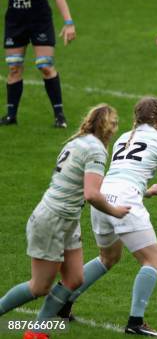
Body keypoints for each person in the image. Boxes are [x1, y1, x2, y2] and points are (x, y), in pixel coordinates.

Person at [52, 97, 157, 336]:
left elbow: (121, 176)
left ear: (136, 118)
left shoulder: (123, 138)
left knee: (107, 258)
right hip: (125, 202)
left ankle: (64, 303)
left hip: (102, 199)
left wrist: (147, 190)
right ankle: (135, 322)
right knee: (153, 262)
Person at [0, 104, 130, 338]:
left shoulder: (78, 141)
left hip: (67, 219)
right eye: (114, 124)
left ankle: (37, 333)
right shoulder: (97, 150)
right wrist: (114, 211)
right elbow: (92, 194)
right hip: (52, 219)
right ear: (107, 127)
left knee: (74, 278)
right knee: (39, 287)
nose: (115, 129)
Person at [0, 0, 76, 128]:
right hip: (15, 23)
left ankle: (59, 116)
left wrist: (68, 22)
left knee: (44, 65)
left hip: (39, 22)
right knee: (14, 67)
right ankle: (11, 116)